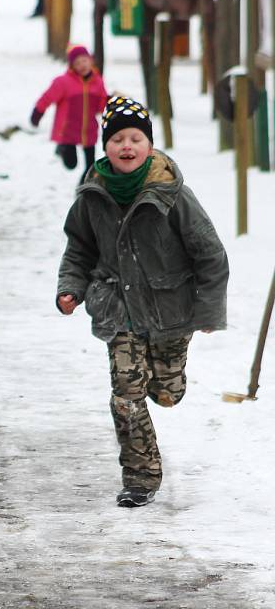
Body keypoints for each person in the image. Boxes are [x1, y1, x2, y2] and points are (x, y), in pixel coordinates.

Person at [56, 96, 229, 508]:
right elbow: (79, 249)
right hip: (118, 308)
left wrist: (207, 311)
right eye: (118, 139)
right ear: (105, 148)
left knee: (166, 394)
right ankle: (140, 478)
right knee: (126, 393)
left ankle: (169, 381)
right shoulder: (91, 196)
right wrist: (71, 288)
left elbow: (211, 255)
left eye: (136, 138)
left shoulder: (173, 196)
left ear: (149, 146)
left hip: (172, 311)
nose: (127, 146)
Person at [30, 44, 108, 177]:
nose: (82, 65)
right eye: (77, 63)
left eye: (84, 60)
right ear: (72, 66)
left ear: (90, 61)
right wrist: (38, 112)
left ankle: (83, 190)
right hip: (67, 131)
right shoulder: (63, 82)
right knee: (71, 164)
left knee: (91, 167)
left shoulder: (98, 82)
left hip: (89, 130)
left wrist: (110, 103)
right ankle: (62, 149)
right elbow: (47, 97)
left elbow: (101, 105)